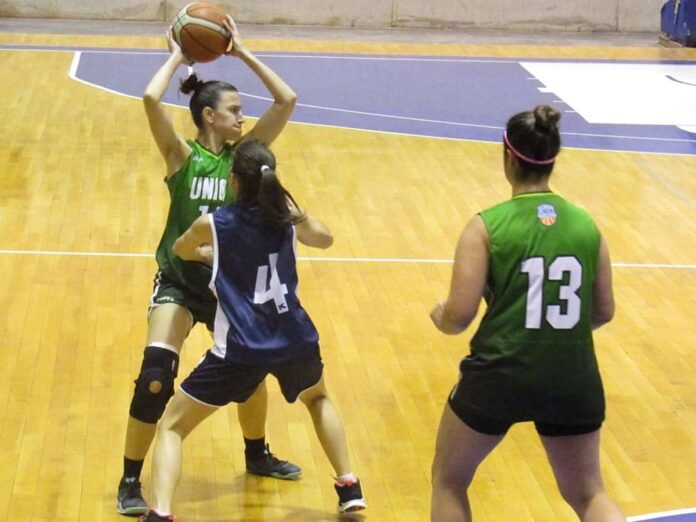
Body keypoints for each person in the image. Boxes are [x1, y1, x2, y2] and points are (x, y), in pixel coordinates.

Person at [117, 15, 301, 516]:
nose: (242, 117)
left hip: (228, 286)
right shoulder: (181, 156)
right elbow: (151, 99)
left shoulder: (245, 160)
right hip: (180, 281)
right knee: (155, 376)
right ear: (208, 116)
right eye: (234, 110)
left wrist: (240, 52)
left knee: (251, 373)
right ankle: (130, 478)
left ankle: (257, 453)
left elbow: (286, 100)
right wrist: (181, 53)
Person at [137, 140, 366, 522]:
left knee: (173, 426)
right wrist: (298, 213)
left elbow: (180, 249)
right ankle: (349, 486)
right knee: (318, 398)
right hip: (295, 339)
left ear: (234, 180)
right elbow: (325, 239)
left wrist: (209, 255)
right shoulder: (286, 219)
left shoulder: (215, 224)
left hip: (241, 348)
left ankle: (160, 513)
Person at [429, 106, 625, 522]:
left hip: (500, 372)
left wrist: (440, 315)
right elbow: (604, 310)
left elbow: (459, 317)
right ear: (552, 159)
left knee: (450, 479)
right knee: (589, 493)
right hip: (572, 374)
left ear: (507, 155)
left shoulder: (486, 226)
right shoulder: (586, 225)